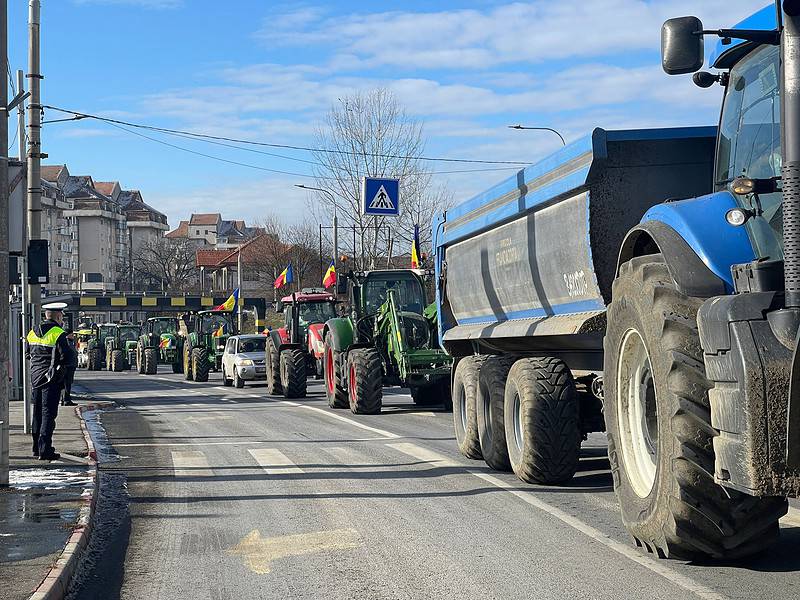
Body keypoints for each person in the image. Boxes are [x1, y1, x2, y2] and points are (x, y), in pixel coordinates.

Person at [27, 302, 71, 461]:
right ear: (59, 316)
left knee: (37, 414)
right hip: (51, 379)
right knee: (48, 415)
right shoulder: (58, 333)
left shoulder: (32, 332)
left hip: (35, 379)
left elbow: (28, 354)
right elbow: (67, 357)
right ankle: (45, 450)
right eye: (62, 317)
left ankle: (36, 448)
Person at [61, 328, 78, 407]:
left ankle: (65, 399)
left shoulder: (71, 342)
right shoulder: (67, 342)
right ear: (68, 335)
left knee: (67, 384)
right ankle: (66, 400)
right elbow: (67, 353)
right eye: (72, 334)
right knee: (66, 384)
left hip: (70, 365)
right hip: (68, 366)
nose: (73, 336)